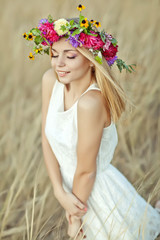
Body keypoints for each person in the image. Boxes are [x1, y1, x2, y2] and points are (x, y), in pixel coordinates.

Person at [23, 5, 160, 240]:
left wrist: (75, 217)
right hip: (72, 193)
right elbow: (46, 136)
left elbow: (86, 171)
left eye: (70, 55)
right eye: (55, 54)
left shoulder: (91, 103)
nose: (59, 63)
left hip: (96, 194)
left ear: (90, 60)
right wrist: (58, 191)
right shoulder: (50, 81)